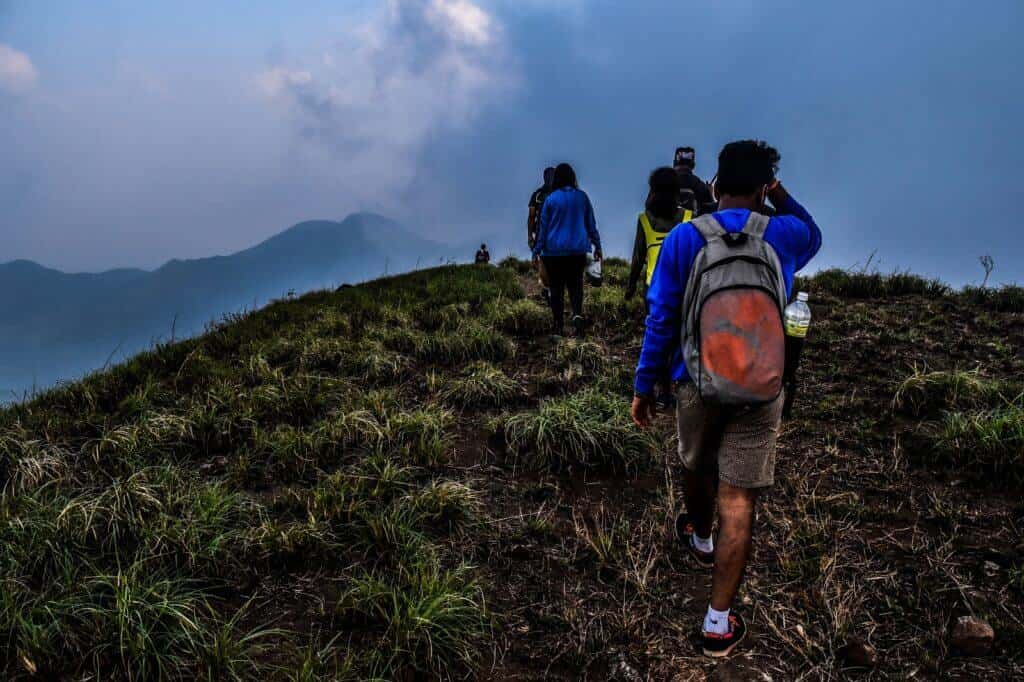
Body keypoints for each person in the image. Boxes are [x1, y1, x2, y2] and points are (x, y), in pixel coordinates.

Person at [631, 140, 821, 658]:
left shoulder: (684, 239)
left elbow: (663, 318)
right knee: (739, 498)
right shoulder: (783, 234)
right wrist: (777, 194)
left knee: (697, 465)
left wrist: (645, 385)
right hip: (762, 386)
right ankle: (717, 623)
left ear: (714, 184)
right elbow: (815, 229)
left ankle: (699, 537)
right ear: (765, 186)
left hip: (696, 380)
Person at [626, 167, 691, 408]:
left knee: (659, 338)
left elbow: (637, 257)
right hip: (685, 288)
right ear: (677, 192)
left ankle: (663, 391)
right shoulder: (688, 218)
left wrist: (630, 286)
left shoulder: (644, 220)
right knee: (683, 339)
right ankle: (684, 386)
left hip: (653, 290)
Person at [532, 163, 602, 336]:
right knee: (576, 285)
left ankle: (558, 326)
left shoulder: (550, 199)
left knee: (556, 289)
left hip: (553, 252)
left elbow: (543, 229)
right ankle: (577, 315)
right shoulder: (582, 197)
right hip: (577, 251)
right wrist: (597, 245)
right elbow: (591, 224)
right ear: (572, 177)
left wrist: (536, 251)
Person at [529, 167, 556, 304]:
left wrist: (529, 236)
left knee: (545, 262)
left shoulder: (538, 194)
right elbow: (532, 217)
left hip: (543, 235)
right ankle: (549, 289)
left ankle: (548, 289)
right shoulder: (559, 193)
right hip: (552, 234)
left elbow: (531, 217)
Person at [674, 146, 715, 215]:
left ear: (674, 163)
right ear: (693, 165)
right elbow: (711, 213)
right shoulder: (700, 186)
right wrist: (710, 193)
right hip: (693, 225)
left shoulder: (660, 184)